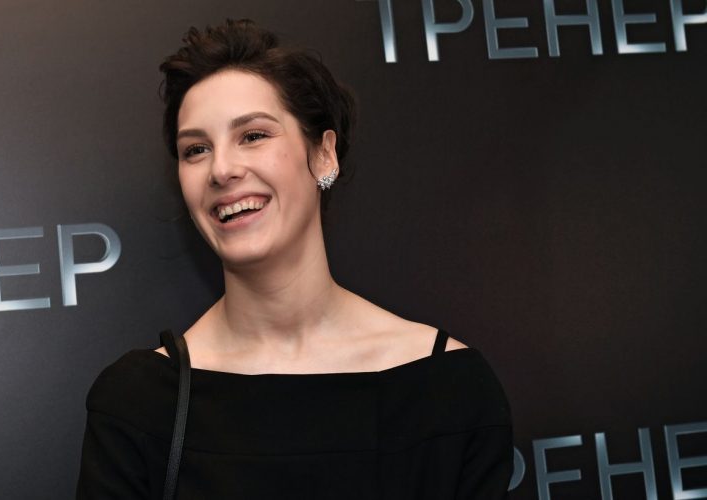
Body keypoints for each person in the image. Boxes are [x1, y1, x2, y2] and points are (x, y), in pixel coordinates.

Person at [76, 19, 513, 499]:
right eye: (196, 149)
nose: (222, 169)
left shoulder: (449, 386)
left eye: (253, 135)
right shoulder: (137, 405)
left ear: (324, 155)